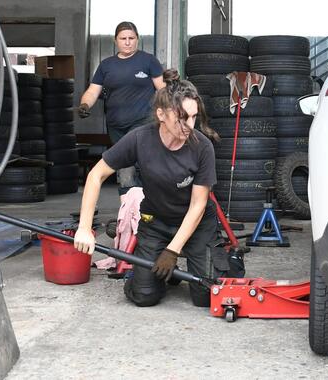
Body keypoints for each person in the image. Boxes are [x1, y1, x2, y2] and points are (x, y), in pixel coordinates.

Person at [74, 69, 226, 308]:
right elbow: (96, 175)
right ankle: (160, 274)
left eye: (194, 117)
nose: (189, 125)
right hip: (156, 222)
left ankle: (223, 262)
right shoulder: (140, 139)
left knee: (208, 296)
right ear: (161, 114)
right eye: (182, 118)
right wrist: (84, 228)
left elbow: (198, 205)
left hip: (197, 225)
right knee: (144, 295)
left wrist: (173, 250)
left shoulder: (202, 147)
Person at [78, 21, 165, 197]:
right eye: (123, 38)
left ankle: (147, 207)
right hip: (115, 126)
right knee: (125, 165)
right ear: (115, 40)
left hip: (142, 122)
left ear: (137, 39)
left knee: (133, 165)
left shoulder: (148, 61)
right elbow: (93, 91)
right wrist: (85, 104)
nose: (127, 42)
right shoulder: (106, 65)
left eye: (131, 38)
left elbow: (162, 90)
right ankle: (130, 210)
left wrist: (169, 114)